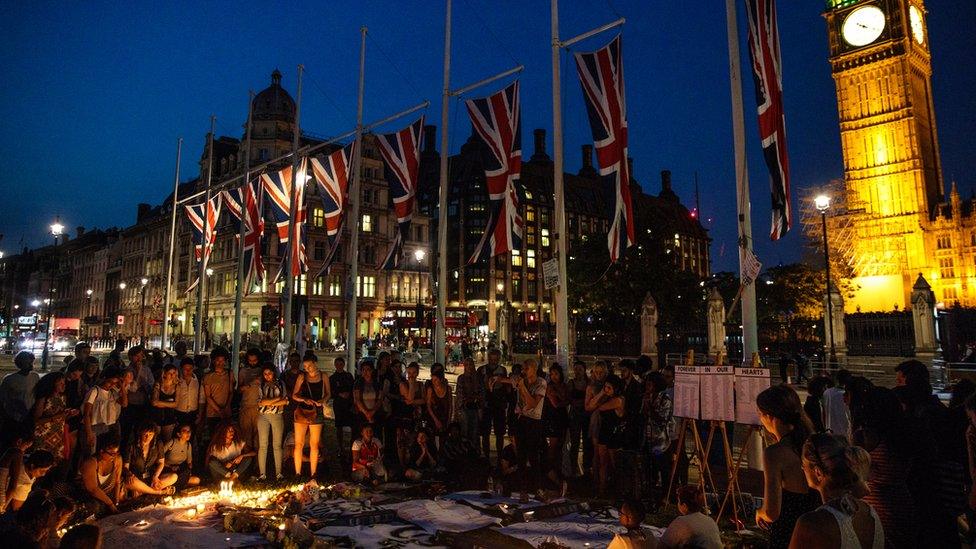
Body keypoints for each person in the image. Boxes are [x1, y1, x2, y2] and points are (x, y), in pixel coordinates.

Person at [790, 433, 884, 549]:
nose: (802, 469)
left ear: (818, 472)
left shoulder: (811, 523)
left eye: (803, 465)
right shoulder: (871, 514)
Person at [850, 386, 916, 549]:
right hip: (902, 498)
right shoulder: (904, 432)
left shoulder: (868, 436)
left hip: (877, 502)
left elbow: (857, 472)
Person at [755, 385, 819, 549]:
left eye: (760, 414)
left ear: (770, 417)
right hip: (817, 526)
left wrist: (759, 512)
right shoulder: (815, 442)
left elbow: (771, 512)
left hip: (790, 530)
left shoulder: (775, 453)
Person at [497, 358, 547, 496]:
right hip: (520, 419)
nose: (524, 372)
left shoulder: (540, 383)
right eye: (523, 369)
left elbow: (532, 404)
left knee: (533, 455)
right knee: (521, 456)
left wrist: (523, 388)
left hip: (534, 421)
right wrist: (496, 379)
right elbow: (507, 380)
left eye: (527, 369)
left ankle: (538, 488)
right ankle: (523, 489)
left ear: (534, 369)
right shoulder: (520, 380)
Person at [292, 352, 330, 479]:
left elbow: (328, 394)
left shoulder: (323, 376)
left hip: (316, 411)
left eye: (309, 366)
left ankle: (313, 473)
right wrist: (304, 400)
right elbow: (294, 395)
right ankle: (298, 473)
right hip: (302, 411)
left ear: (315, 363)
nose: (307, 368)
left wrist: (322, 401)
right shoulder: (302, 377)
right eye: (305, 366)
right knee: (299, 443)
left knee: (314, 443)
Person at [642, 371, 674, 502]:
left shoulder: (665, 399)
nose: (647, 387)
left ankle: (666, 494)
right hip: (648, 438)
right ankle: (651, 492)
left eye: (649, 385)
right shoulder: (647, 397)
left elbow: (662, 419)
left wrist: (650, 408)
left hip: (661, 441)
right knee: (650, 468)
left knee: (663, 468)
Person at [32, 371, 77, 463]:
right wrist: (58, 416)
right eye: (60, 383)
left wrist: (68, 415)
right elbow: (36, 421)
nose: (63, 386)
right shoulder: (43, 399)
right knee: (42, 462)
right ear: (52, 384)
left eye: (64, 383)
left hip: (57, 437)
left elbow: (61, 419)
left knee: (56, 462)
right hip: (43, 436)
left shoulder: (63, 398)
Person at [123, 421, 177, 496]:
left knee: (174, 477)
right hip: (136, 478)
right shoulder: (132, 446)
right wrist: (129, 474)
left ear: (154, 434)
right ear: (140, 433)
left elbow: (161, 462)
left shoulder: (158, 444)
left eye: (150, 434)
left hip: (151, 477)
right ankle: (158, 492)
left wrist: (155, 477)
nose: (147, 437)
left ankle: (145, 490)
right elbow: (125, 467)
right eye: (145, 434)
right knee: (132, 482)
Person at [82, 367, 127, 456]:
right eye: (110, 382)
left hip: (106, 427)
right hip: (94, 427)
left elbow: (124, 404)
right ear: (104, 378)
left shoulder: (112, 393)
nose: (111, 385)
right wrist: (89, 433)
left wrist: (122, 386)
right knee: (91, 454)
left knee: (102, 453)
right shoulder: (95, 391)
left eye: (114, 383)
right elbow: (86, 413)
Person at [660, 485, 722, 549]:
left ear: (684, 506)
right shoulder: (710, 520)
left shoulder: (682, 522)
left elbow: (663, 545)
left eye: (678, 501)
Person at [477, 350, 510, 466]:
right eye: (491, 359)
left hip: (499, 405)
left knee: (499, 432)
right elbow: (478, 387)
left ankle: (500, 456)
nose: (493, 362)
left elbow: (506, 388)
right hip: (486, 404)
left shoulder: (502, 370)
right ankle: (486, 456)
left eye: (496, 360)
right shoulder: (481, 370)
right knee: (485, 432)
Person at [256, 365, 288, 481]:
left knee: (277, 445)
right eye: (265, 374)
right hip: (263, 416)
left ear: (274, 373)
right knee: (263, 445)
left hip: (277, 416)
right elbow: (260, 402)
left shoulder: (281, 384)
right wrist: (276, 399)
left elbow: (285, 400)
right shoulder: (261, 385)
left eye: (269, 373)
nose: (267, 376)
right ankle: (262, 474)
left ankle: (279, 473)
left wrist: (268, 402)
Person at [199, 347, 233, 450]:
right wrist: (219, 410)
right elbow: (208, 396)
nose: (220, 363)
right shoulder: (208, 376)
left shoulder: (229, 374)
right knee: (213, 439)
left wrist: (226, 406)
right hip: (212, 413)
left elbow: (231, 392)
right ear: (213, 361)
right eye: (218, 360)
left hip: (226, 412)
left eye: (222, 360)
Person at [542, 363, 570, 490]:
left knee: (560, 446)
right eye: (551, 374)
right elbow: (556, 404)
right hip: (552, 418)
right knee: (552, 448)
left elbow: (566, 400)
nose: (554, 376)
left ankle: (557, 471)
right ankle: (550, 473)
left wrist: (561, 398)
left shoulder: (564, 386)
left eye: (556, 374)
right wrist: (560, 397)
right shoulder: (549, 387)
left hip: (562, 418)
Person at [396, 362, 426, 468]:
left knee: (412, 441)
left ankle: (411, 463)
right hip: (404, 416)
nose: (411, 375)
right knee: (402, 442)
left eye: (414, 373)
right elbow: (410, 398)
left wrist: (412, 401)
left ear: (417, 373)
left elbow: (422, 400)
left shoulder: (421, 385)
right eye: (409, 372)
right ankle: (402, 465)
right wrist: (412, 385)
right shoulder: (403, 384)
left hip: (416, 417)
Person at [584, 361, 609, 479]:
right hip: (596, 418)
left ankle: (604, 478)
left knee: (606, 452)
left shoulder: (608, 385)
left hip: (607, 418)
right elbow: (587, 407)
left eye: (601, 372)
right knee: (596, 451)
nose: (599, 375)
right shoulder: (591, 387)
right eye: (597, 372)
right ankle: (596, 478)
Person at [1, 351, 41, 424]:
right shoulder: (9, 379)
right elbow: (2, 398)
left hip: (30, 415)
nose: (31, 364)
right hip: (14, 416)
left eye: (32, 362)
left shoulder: (35, 376)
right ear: (21, 363)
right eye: (28, 362)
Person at [329, 357, 355, 468]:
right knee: (339, 426)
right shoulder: (332, 378)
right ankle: (340, 447)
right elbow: (330, 391)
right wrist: (339, 394)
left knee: (352, 425)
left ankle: (351, 447)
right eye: (337, 363)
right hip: (339, 404)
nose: (339, 365)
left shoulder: (349, 376)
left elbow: (353, 388)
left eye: (341, 363)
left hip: (349, 404)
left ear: (343, 364)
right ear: (335, 364)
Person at [568, 360, 590, 478]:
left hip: (586, 415)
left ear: (584, 370)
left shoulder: (588, 382)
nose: (577, 372)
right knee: (575, 442)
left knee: (587, 442)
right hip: (575, 415)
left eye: (580, 369)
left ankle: (586, 467)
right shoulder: (571, 383)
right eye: (576, 369)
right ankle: (573, 467)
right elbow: (570, 399)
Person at [237, 350, 263, 450]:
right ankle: (247, 460)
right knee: (246, 435)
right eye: (250, 360)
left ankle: (257, 462)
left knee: (258, 436)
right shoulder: (243, 371)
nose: (252, 362)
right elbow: (238, 390)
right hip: (246, 406)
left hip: (259, 407)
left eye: (254, 360)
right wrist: (247, 385)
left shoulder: (262, 371)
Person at [455, 358, 485, 446]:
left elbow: (482, 393)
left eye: (470, 364)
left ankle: (474, 452)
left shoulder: (478, 378)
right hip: (464, 408)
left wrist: (480, 406)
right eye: (466, 365)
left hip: (476, 408)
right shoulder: (461, 378)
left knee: (475, 432)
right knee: (465, 430)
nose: (469, 367)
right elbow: (460, 394)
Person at [160, 424, 200, 489]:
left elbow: (189, 463)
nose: (188, 433)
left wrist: (189, 470)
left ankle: (175, 485)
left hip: (179, 471)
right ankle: (175, 485)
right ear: (178, 434)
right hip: (167, 469)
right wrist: (170, 466)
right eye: (185, 431)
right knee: (174, 477)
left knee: (196, 480)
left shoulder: (188, 445)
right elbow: (159, 457)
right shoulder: (172, 442)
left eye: (189, 431)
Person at [150, 365, 179, 442]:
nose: (172, 375)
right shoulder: (158, 384)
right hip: (156, 416)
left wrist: (160, 403)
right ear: (165, 374)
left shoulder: (177, 386)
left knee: (167, 441)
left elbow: (176, 404)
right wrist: (169, 402)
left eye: (174, 373)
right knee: (154, 440)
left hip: (169, 417)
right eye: (170, 373)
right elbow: (153, 402)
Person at [353, 362, 383, 436]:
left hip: (375, 414)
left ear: (372, 371)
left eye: (368, 370)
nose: (365, 372)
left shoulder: (377, 384)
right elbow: (357, 399)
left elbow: (380, 399)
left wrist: (372, 412)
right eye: (363, 370)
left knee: (376, 434)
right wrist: (367, 413)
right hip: (361, 414)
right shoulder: (358, 383)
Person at [425, 372, 453, 450]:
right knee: (433, 440)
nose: (434, 382)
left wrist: (449, 419)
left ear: (441, 379)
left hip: (444, 417)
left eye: (436, 379)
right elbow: (429, 406)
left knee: (443, 440)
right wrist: (436, 420)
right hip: (434, 418)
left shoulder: (448, 389)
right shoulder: (431, 390)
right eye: (432, 380)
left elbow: (450, 405)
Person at [822, 369, 852, 440]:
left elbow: (823, 413)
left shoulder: (827, 393)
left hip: (830, 432)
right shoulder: (848, 395)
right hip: (845, 433)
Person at [173, 358, 200, 429]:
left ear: (193, 368)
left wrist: (199, 414)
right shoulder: (177, 381)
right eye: (185, 369)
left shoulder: (197, 380)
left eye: (190, 369)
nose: (188, 371)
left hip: (193, 413)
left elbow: (201, 398)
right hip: (179, 412)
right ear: (181, 369)